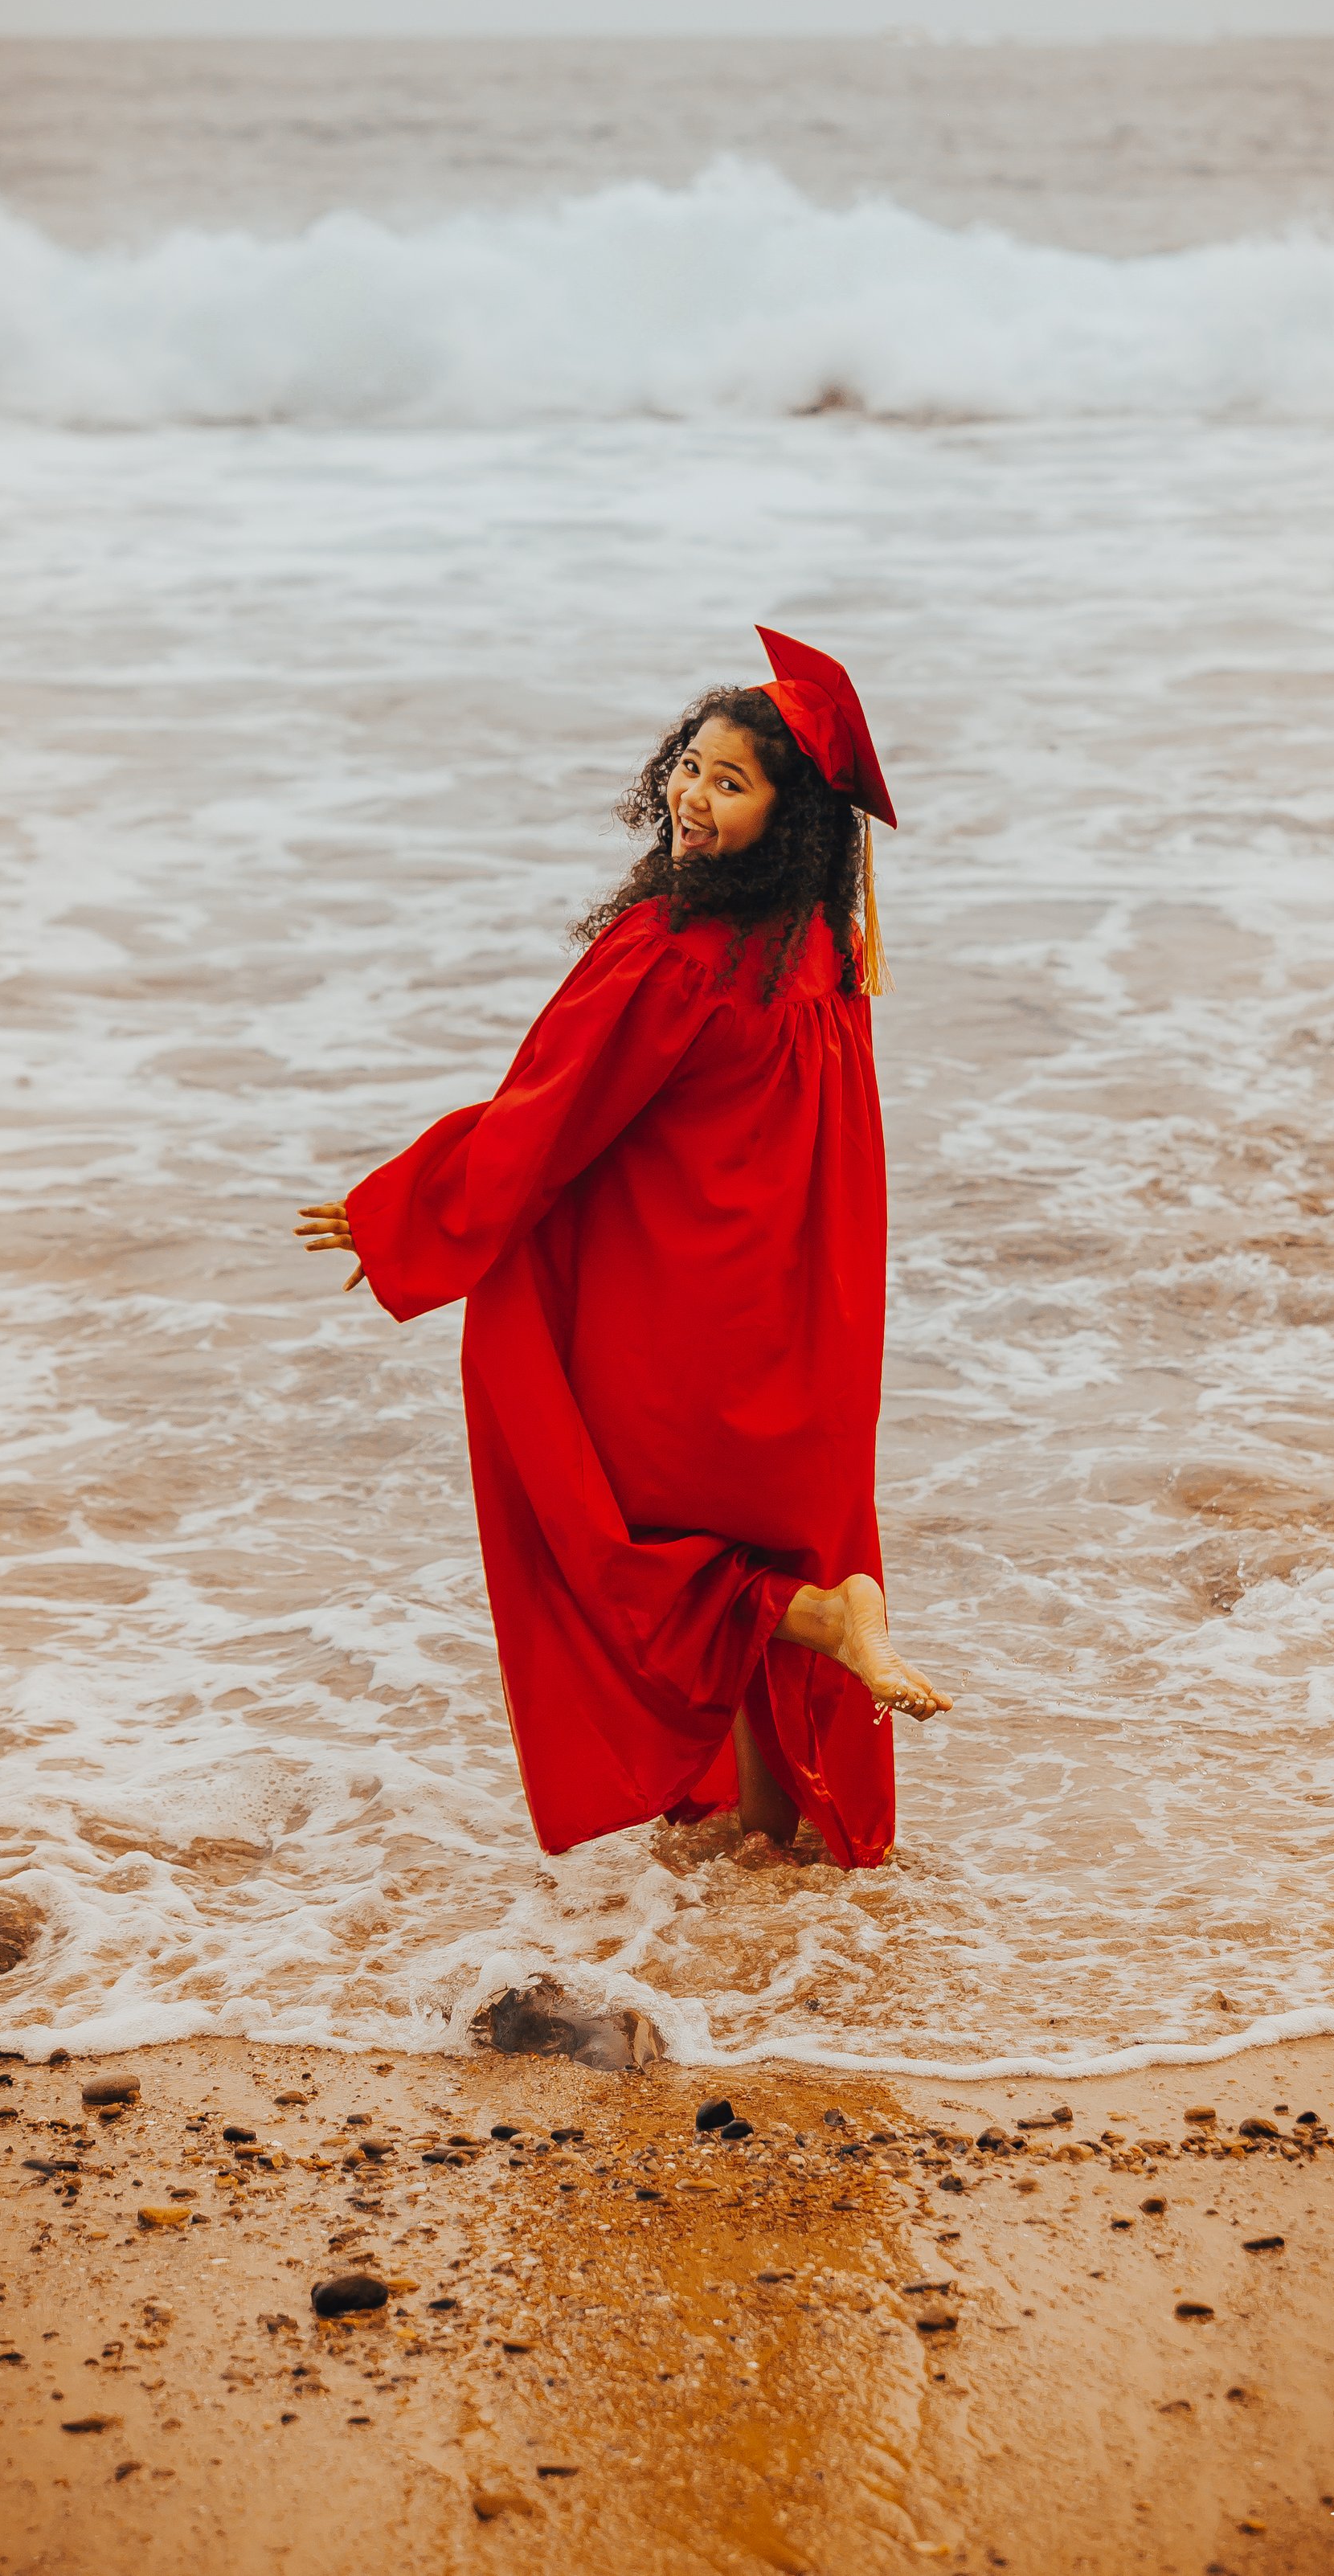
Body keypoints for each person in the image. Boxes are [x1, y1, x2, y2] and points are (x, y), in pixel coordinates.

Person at [296, 627, 949, 1869]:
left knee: (611, 1540)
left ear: (789, 817)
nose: (693, 798)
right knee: (762, 1526)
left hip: (687, 1318)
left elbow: (549, 1114)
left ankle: (821, 1614)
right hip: (806, 1319)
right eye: (690, 768)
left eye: (731, 782)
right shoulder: (825, 952)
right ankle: (775, 1841)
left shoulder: (672, 955)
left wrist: (400, 1211)